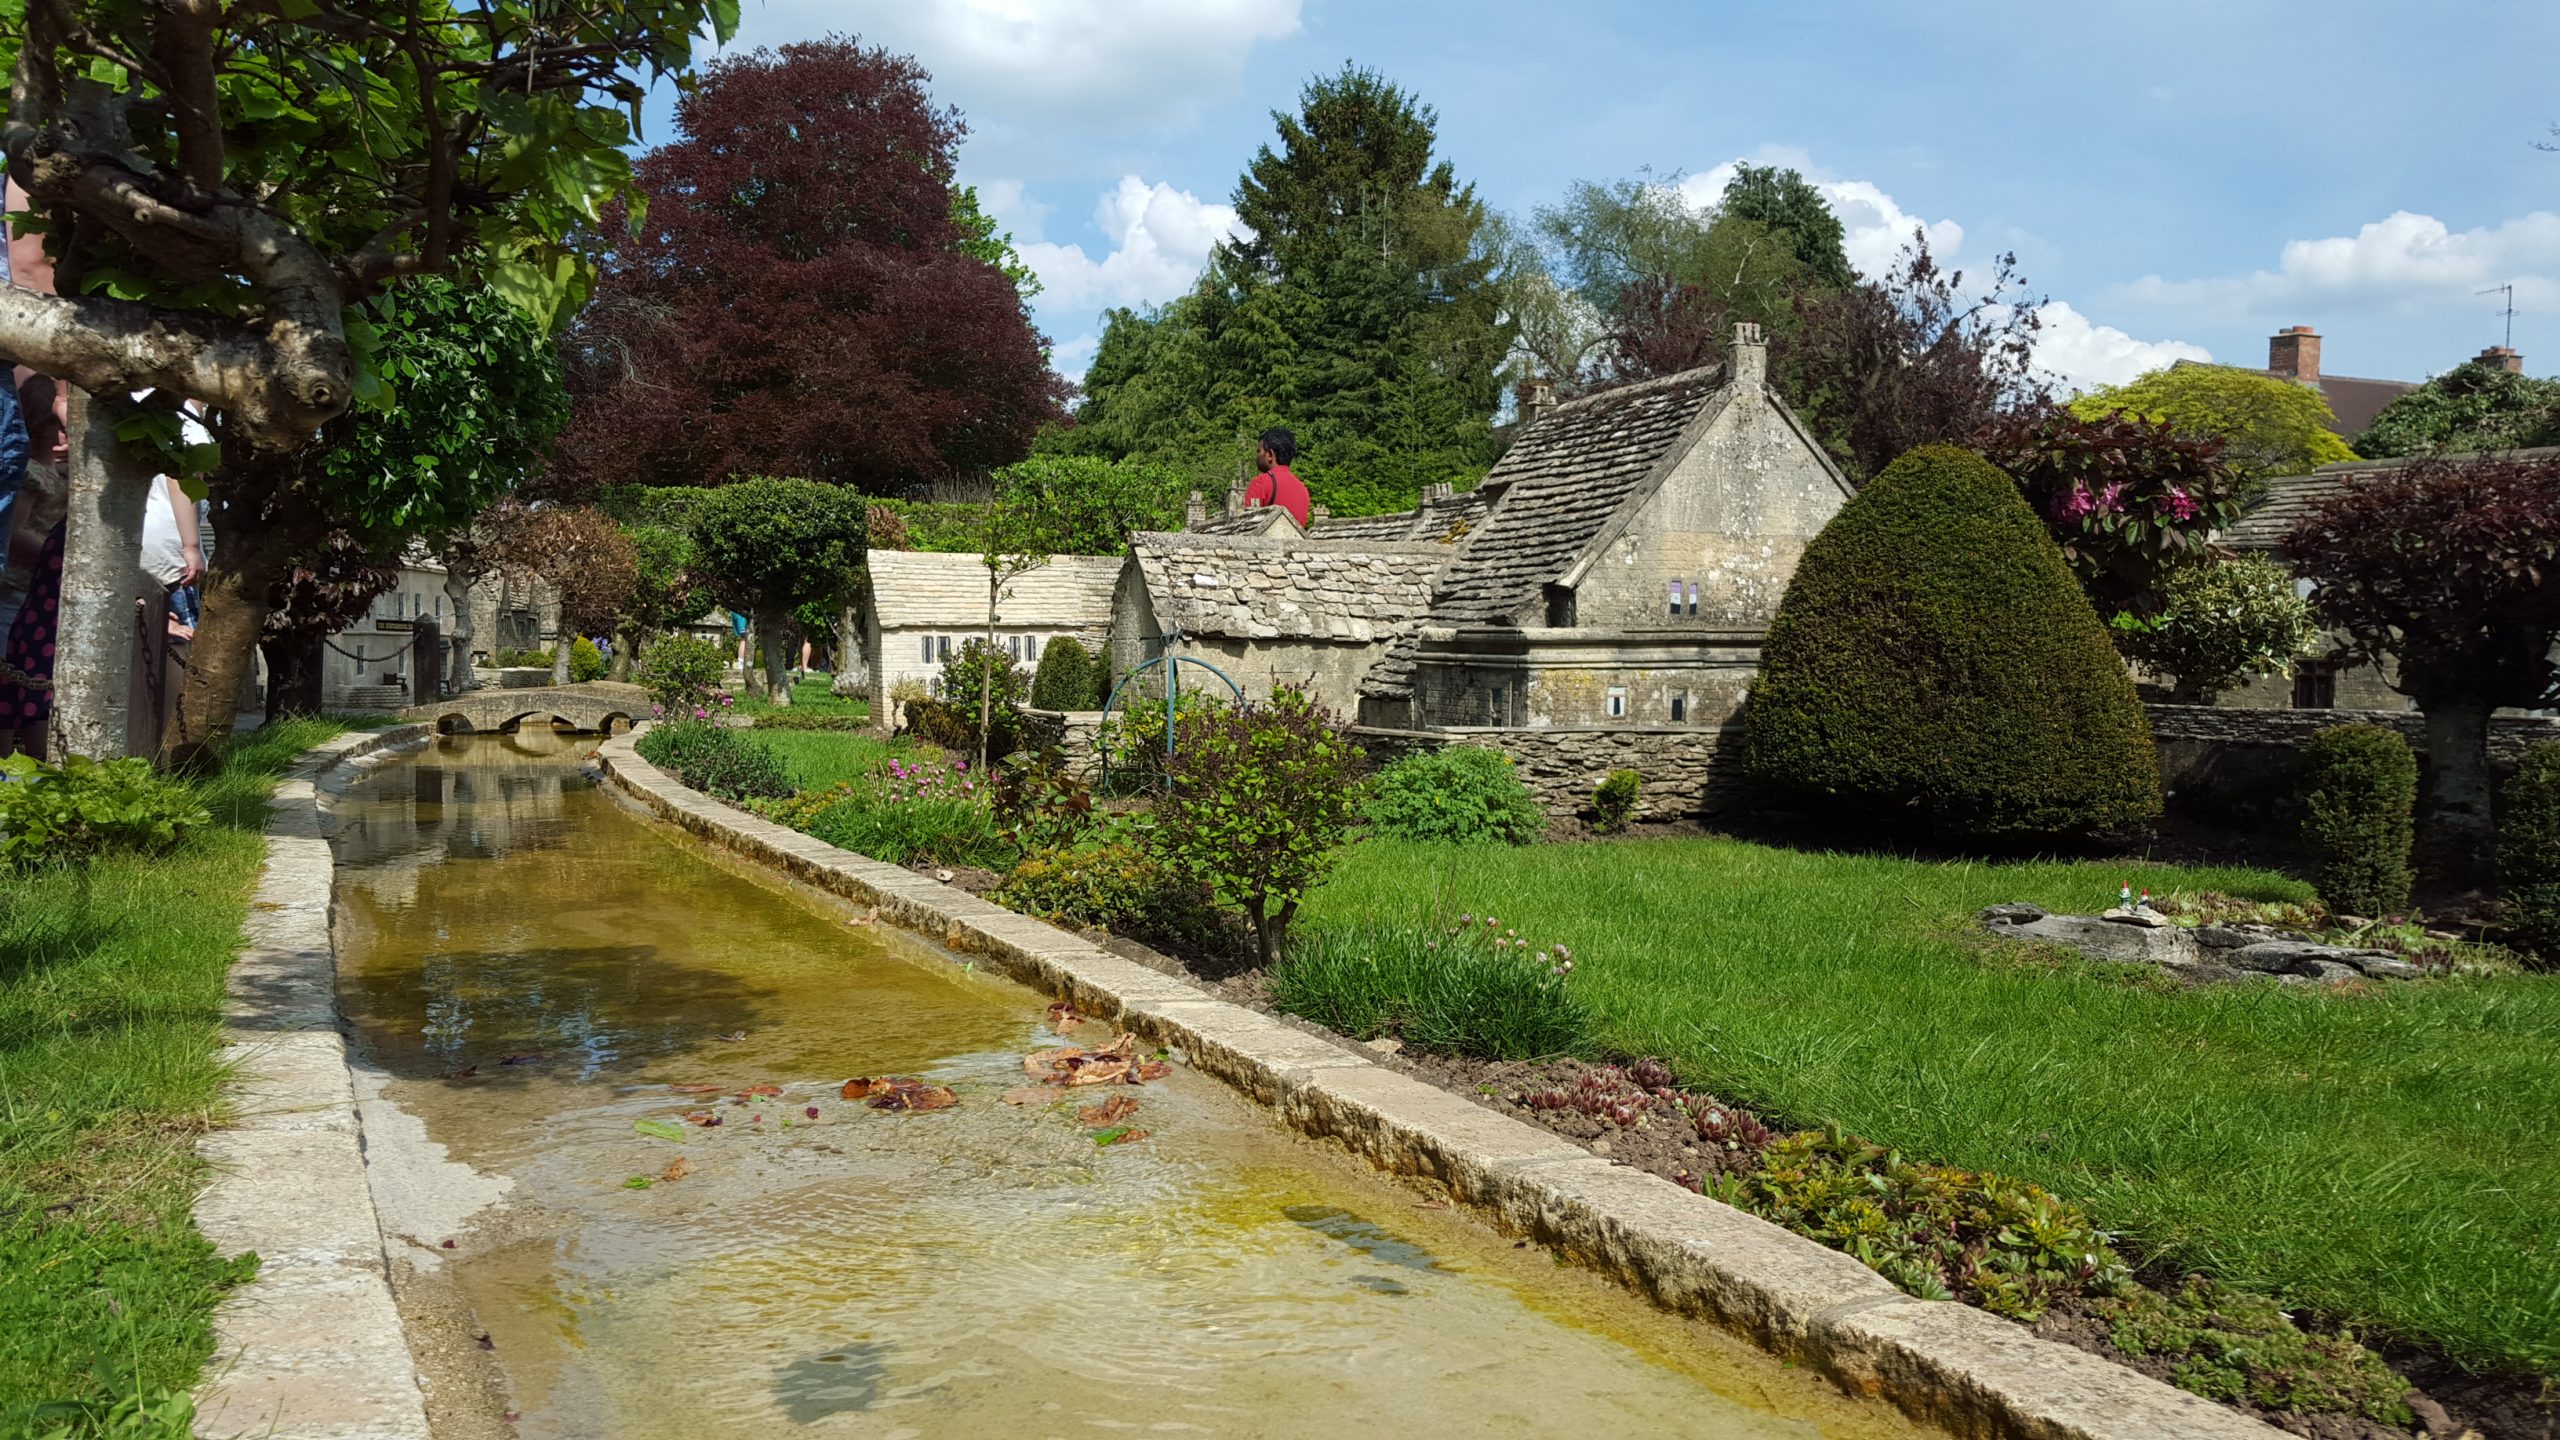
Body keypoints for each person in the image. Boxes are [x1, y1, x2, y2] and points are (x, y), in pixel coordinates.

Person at [1243, 427, 1311, 529]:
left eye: (1259, 451)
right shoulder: (1303, 489)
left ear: (1270, 454)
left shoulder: (1261, 483)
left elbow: (1245, 526)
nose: (1256, 456)